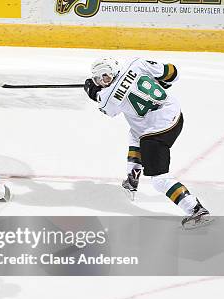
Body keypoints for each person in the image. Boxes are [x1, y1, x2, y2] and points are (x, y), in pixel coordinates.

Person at [83, 57, 211, 229]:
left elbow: (107, 108)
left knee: (159, 180)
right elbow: (173, 72)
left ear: (112, 71)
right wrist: (161, 80)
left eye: (105, 77)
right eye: (99, 79)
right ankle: (132, 178)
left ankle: (196, 210)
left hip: (159, 131)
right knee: (135, 132)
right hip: (174, 113)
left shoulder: (107, 96)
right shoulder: (136, 64)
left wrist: (93, 92)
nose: (103, 81)